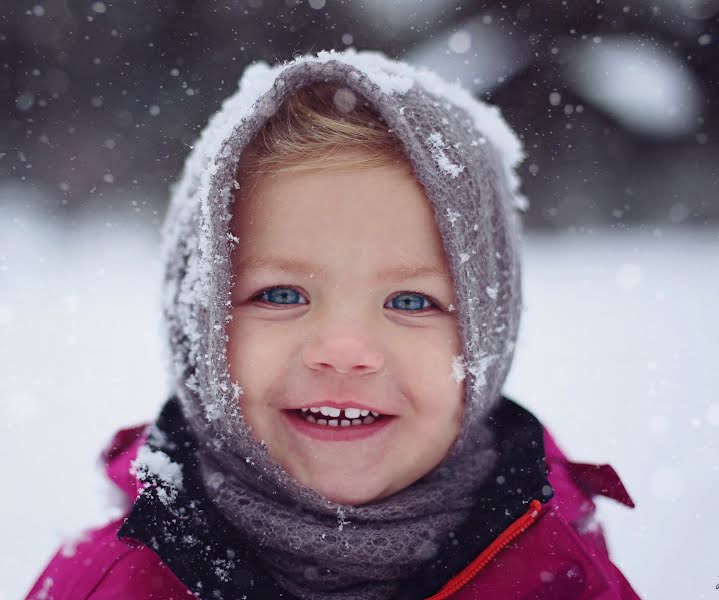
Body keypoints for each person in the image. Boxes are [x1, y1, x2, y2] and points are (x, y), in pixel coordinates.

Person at [26, 48, 641, 600]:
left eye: (410, 301)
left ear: (488, 330)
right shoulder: (107, 585)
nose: (345, 351)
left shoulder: (564, 577)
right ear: (199, 328)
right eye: (281, 293)